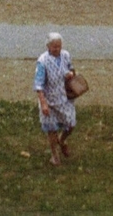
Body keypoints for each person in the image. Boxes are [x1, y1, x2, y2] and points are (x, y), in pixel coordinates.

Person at [33, 33, 76, 165]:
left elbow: (72, 69)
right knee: (51, 129)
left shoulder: (66, 55)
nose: (57, 49)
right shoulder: (43, 61)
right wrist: (43, 103)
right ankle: (54, 155)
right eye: (54, 46)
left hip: (64, 98)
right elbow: (38, 84)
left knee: (71, 124)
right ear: (48, 46)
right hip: (49, 100)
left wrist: (70, 74)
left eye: (59, 46)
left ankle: (62, 141)